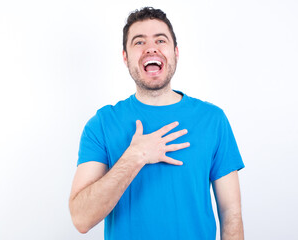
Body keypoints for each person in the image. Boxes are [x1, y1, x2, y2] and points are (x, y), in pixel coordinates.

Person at [69, 7, 245, 240]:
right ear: (125, 57)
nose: (151, 48)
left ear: (175, 52)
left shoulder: (213, 120)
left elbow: (231, 213)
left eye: (160, 40)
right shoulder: (101, 124)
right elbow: (81, 218)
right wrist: (134, 157)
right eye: (139, 42)